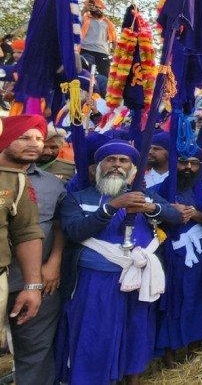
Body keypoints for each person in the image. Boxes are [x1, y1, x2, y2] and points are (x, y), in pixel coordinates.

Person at [57, 140, 180, 384]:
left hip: (138, 281)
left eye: (123, 161)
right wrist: (112, 207)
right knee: (94, 334)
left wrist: (149, 206)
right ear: (97, 167)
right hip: (95, 282)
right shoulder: (77, 198)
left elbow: (174, 215)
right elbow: (74, 231)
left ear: (132, 169)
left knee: (136, 333)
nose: (116, 165)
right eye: (110, 160)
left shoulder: (143, 196)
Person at [2, 116, 64, 385]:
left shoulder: (54, 184)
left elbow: (58, 226)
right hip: (4, 276)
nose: (34, 144)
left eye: (39, 139)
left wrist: (53, 264)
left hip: (36, 282)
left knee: (35, 352)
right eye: (24, 137)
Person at [155, 144, 202, 367]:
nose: (188, 167)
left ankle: (194, 349)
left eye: (194, 163)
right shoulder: (158, 190)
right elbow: (150, 218)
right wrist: (168, 212)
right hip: (170, 256)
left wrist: (196, 214)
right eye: (183, 162)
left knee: (199, 298)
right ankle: (169, 354)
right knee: (172, 300)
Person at [79, 0, 118, 75]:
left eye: (100, 8)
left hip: (103, 53)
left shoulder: (108, 23)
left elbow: (114, 41)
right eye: (96, 7)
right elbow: (75, 22)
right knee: (84, 74)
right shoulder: (85, 18)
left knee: (104, 77)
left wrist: (117, 56)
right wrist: (84, 10)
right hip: (86, 50)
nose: (98, 9)